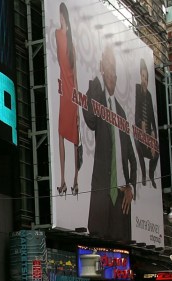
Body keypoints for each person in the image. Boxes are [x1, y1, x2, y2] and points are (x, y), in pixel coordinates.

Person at [83, 44, 136, 243]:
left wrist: (131, 187)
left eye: (115, 70)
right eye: (109, 67)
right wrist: (97, 81)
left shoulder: (121, 112)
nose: (113, 74)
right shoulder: (95, 93)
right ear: (101, 68)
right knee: (97, 244)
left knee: (122, 249)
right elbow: (90, 119)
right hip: (102, 195)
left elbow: (132, 157)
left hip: (121, 200)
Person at [54, 2, 81, 197]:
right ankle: (65, 180)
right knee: (63, 135)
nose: (60, 18)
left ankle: (73, 180)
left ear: (66, 17)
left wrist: (78, 104)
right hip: (66, 94)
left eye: (62, 15)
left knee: (71, 138)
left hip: (69, 94)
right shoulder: (59, 35)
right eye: (59, 15)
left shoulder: (70, 43)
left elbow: (76, 76)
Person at [134, 59, 158, 188]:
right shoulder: (137, 89)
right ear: (140, 76)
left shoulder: (149, 94)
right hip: (138, 129)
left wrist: (153, 137)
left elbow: (153, 118)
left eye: (146, 78)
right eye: (143, 77)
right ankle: (143, 174)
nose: (144, 80)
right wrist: (140, 123)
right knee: (139, 148)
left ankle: (151, 174)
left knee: (157, 153)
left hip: (148, 132)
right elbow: (136, 111)